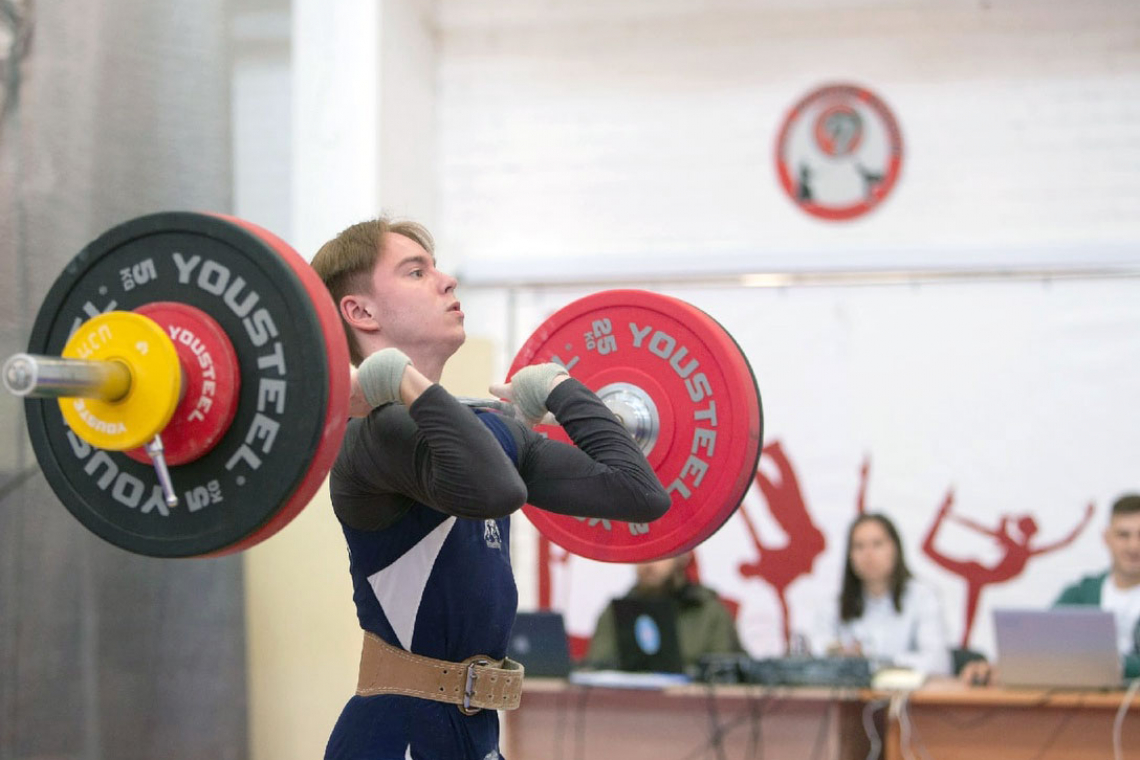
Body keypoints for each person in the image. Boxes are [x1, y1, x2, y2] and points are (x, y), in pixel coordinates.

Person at [311, 217, 671, 760]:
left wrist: (562, 389)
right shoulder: (370, 436)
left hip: (476, 738)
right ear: (361, 313)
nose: (447, 281)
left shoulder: (482, 430)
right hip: (398, 737)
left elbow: (640, 494)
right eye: (416, 272)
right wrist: (409, 383)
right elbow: (495, 490)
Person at [816, 513, 951, 676]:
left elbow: (938, 663)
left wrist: (873, 663)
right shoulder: (835, 605)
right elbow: (818, 655)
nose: (868, 554)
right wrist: (840, 655)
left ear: (895, 549)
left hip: (908, 699)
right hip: (852, 699)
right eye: (859, 546)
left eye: (877, 544)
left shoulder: (923, 597)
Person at [585, 552, 744, 669]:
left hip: (692, 710)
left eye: (660, 554)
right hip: (630, 709)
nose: (648, 564)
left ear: (684, 554)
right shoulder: (616, 613)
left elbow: (725, 681)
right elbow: (596, 669)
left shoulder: (708, 612)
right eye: (641, 553)